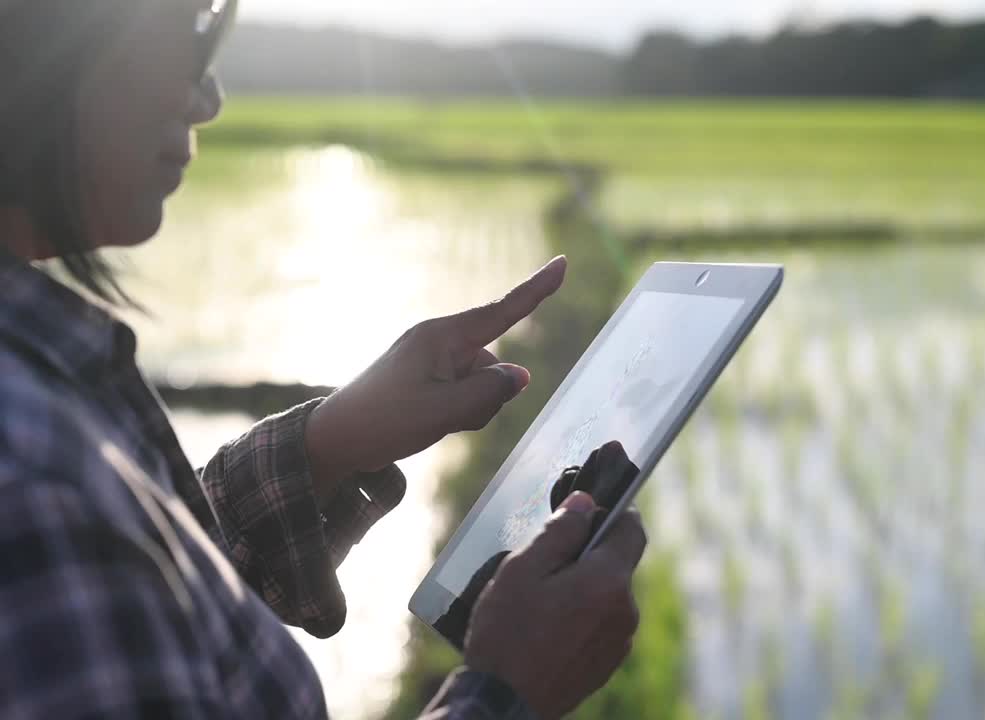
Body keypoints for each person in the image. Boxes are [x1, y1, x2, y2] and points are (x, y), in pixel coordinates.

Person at [0, 1, 647, 718]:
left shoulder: (41, 432)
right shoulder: (33, 493)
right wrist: (505, 691)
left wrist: (324, 445)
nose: (208, 98)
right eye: (187, 28)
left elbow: (142, 601)